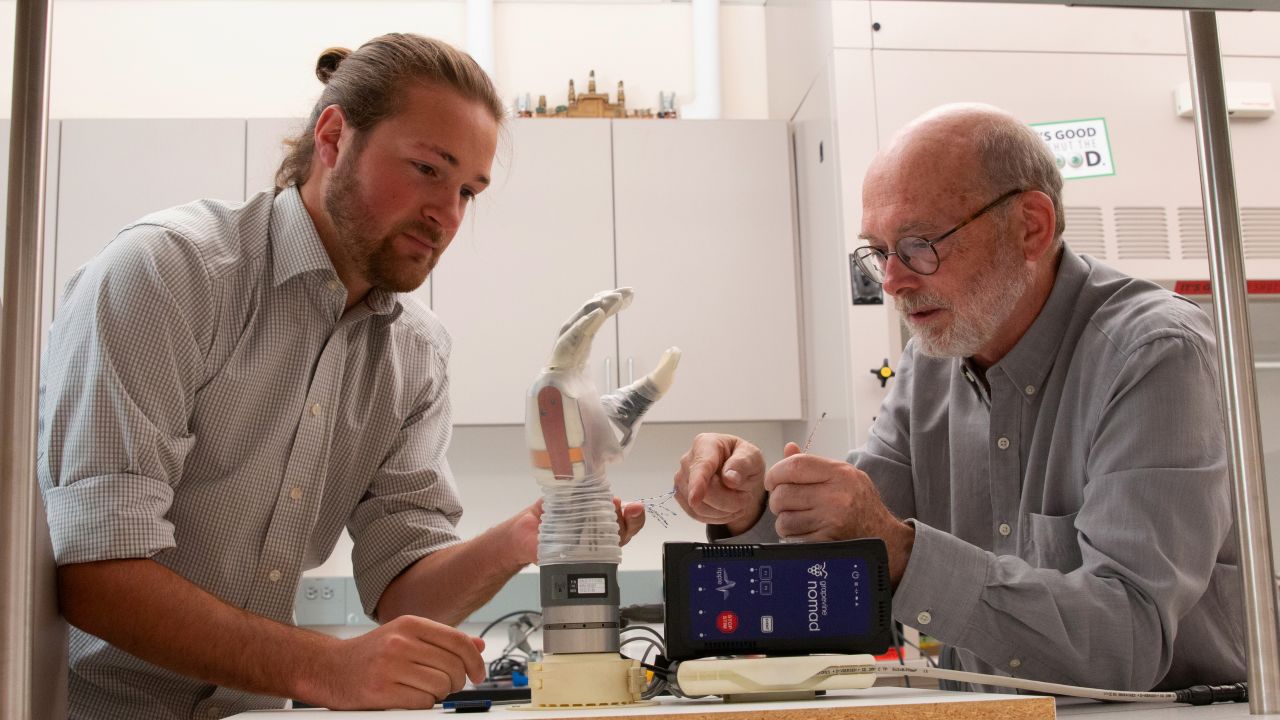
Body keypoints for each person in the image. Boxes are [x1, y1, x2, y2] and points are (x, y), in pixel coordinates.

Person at [38, 34, 644, 718]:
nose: (446, 215)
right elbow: (94, 570)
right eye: (425, 169)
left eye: (468, 191)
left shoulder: (417, 354)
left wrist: (522, 539)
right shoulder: (169, 274)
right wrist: (324, 667)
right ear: (332, 137)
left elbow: (403, 588)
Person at [674, 103, 1245, 692]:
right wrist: (749, 511)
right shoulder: (931, 362)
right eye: (878, 251)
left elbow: (1127, 639)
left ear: (1030, 226)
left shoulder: (1151, 352)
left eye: (920, 244)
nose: (892, 280)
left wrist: (901, 551)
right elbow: (843, 543)